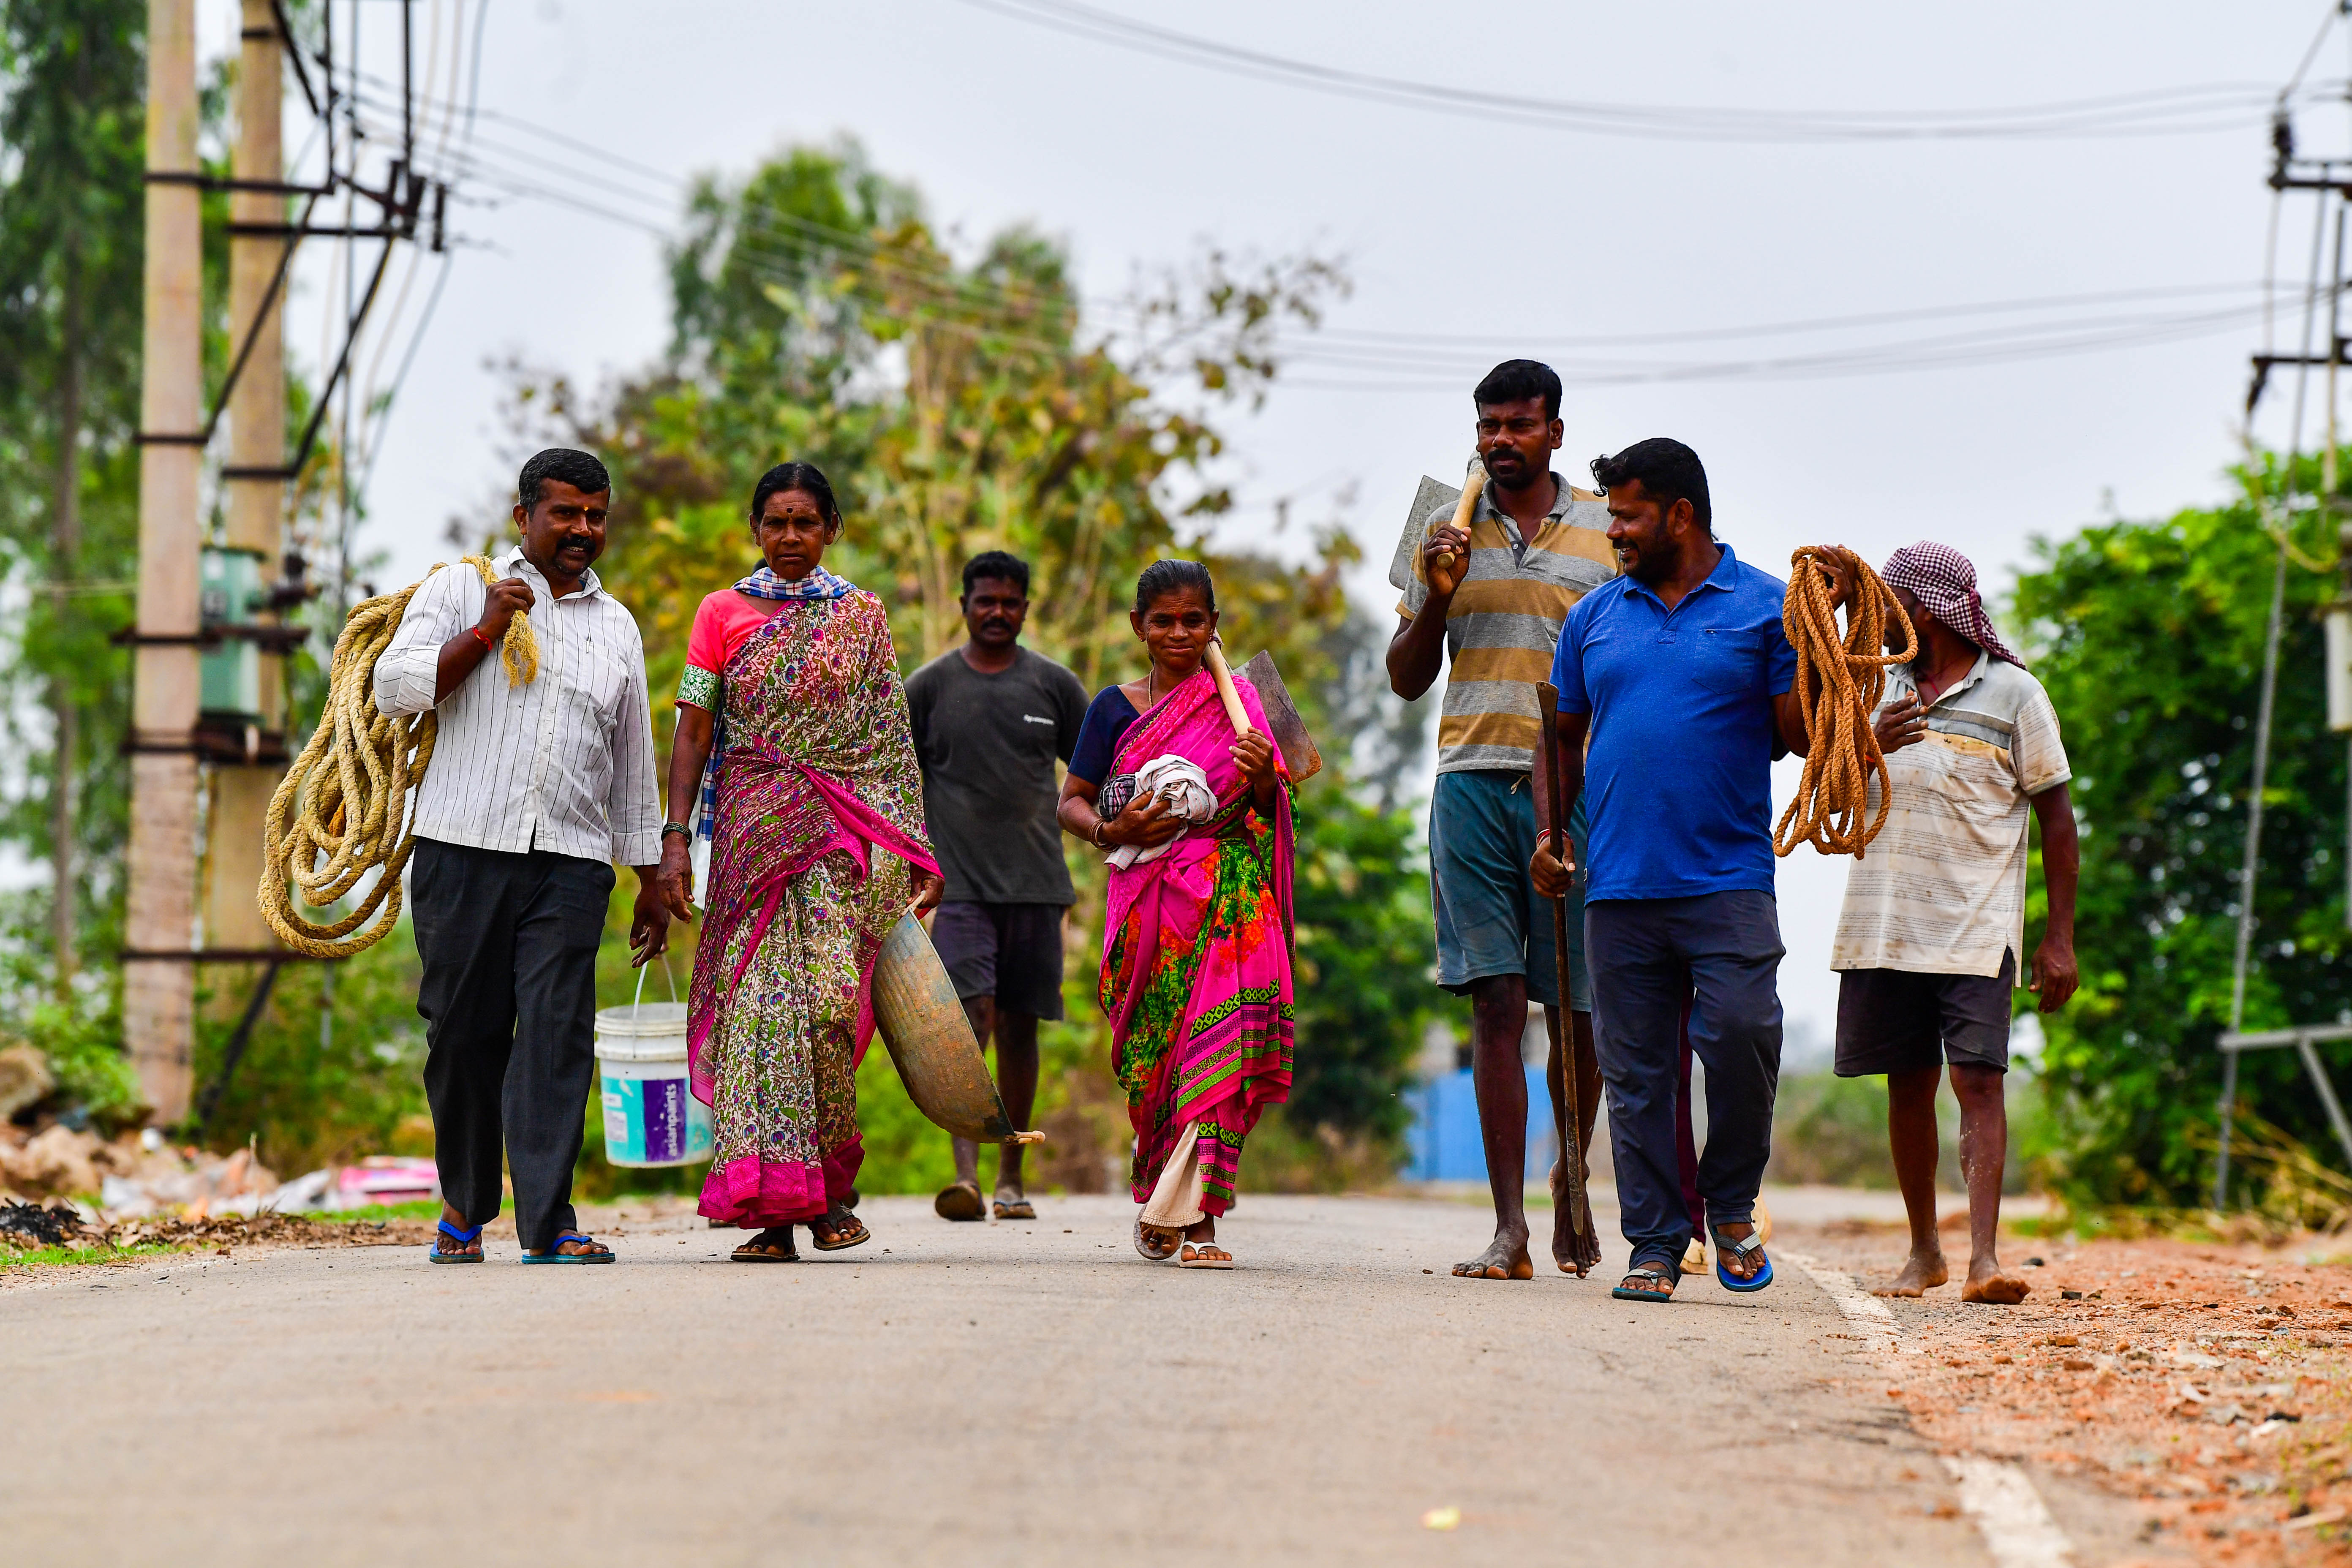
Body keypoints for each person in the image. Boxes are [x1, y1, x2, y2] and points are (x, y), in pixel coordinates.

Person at [1531, 437, 1820, 1303]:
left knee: (1741, 1037)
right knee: (1638, 1074)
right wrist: (1551, 832)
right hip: (1618, 883)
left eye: (1627, 514)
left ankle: (1731, 1204)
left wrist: (1819, 653)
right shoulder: (1595, 617)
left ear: (1680, 514)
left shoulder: (1767, 608)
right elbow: (1561, 741)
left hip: (1728, 879)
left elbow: (1800, 734)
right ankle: (1656, 1242)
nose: (1613, 529)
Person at [374, 447, 668, 1265]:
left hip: (571, 864)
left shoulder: (617, 627)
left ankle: (549, 1224)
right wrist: (487, 628)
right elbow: (395, 690)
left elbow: (631, 758)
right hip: (461, 848)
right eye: (566, 513)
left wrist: (650, 874)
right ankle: (465, 1211)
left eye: (596, 515)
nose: (583, 530)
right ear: (525, 518)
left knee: (555, 1034)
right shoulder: (460, 588)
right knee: (463, 1034)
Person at [655, 462, 945, 1263]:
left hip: (842, 838)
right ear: (756, 530)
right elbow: (692, 729)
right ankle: (778, 1216)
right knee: (759, 1018)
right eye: (776, 523)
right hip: (751, 832)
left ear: (831, 531)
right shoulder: (720, 614)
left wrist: (912, 845)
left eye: (805, 524)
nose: (790, 538)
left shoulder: (862, 617)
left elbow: (888, 740)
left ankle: (826, 1185)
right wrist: (674, 836)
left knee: (825, 1008)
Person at [1385, 359, 1617, 1281]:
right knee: (1492, 998)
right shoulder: (1440, 521)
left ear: (1554, 431)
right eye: (1487, 425)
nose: (1499, 441)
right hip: (1470, 777)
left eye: (1519, 425)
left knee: (1579, 1008)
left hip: (1582, 785)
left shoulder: (1607, 524)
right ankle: (1508, 1225)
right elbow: (1405, 677)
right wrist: (1437, 589)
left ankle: (1571, 1177)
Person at [1833, 542, 2077, 1305]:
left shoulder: (2015, 695)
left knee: (1979, 1080)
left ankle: (1984, 1259)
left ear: (1929, 607)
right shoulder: (1872, 687)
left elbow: (2058, 820)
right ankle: (1924, 1253)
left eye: (1894, 599)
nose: (1883, 615)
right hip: (1884, 924)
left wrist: (2058, 936)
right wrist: (1873, 743)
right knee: (1907, 1086)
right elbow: (1831, 791)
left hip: (1976, 926)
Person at [1056, 560, 1293, 1269]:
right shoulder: (1113, 708)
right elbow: (1071, 800)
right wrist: (1112, 831)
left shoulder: (1245, 705)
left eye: (1194, 620)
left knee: (1220, 1054)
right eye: (1163, 620)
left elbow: (1270, 811)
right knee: (1156, 1057)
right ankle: (1161, 1192)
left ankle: (1202, 1221)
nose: (1179, 633)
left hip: (1229, 899)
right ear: (1139, 627)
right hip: (1149, 904)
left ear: (1214, 626)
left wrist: (1260, 778)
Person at [904, 551, 1089, 1222]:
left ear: (1026, 609)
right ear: (963, 605)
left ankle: (1012, 1176)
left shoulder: (1054, 687)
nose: (998, 613)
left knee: (1019, 1028)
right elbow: (897, 784)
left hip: (1038, 887)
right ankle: (966, 1178)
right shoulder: (929, 689)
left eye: (1011, 602)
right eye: (986, 601)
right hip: (959, 891)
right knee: (968, 1022)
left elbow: (1099, 767)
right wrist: (908, 868)